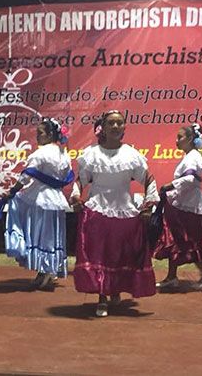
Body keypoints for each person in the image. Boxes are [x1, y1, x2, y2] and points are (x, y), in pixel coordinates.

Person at [71, 110, 157, 317]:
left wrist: (149, 205)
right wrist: (75, 196)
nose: (116, 127)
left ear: (124, 128)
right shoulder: (91, 154)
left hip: (124, 211)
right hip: (97, 210)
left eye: (120, 123)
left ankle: (115, 289)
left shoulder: (132, 155)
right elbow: (80, 180)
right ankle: (102, 297)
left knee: (119, 255)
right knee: (99, 254)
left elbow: (149, 180)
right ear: (104, 127)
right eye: (112, 123)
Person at [0, 118, 73, 288]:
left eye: (40, 133)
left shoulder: (40, 154)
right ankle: (48, 269)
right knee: (52, 234)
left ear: (50, 135)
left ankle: (47, 269)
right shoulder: (64, 154)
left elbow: (26, 176)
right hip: (56, 197)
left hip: (41, 198)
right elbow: (67, 176)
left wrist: (12, 191)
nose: (37, 137)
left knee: (39, 233)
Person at [153, 124, 202, 290]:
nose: (177, 140)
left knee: (188, 240)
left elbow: (190, 180)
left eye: (180, 137)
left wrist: (169, 186)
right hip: (182, 205)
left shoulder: (193, 157)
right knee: (177, 239)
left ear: (191, 139)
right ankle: (173, 276)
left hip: (187, 207)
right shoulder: (190, 156)